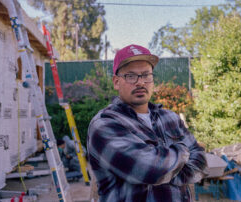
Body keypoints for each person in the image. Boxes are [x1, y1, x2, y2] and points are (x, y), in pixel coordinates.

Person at [87, 44, 207, 202]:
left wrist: (166, 167)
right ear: (116, 82)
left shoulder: (170, 118)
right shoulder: (104, 124)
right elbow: (150, 170)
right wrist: (184, 151)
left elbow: (201, 163)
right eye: (131, 76)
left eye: (146, 75)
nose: (140, 82)